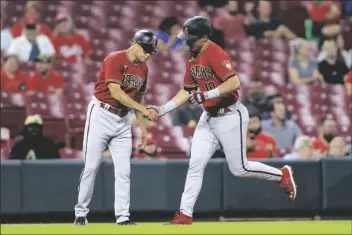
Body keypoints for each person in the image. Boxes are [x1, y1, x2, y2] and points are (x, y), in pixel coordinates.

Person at [149, 16, 297, 225]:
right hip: (208, 117)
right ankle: (184, 214)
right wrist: (163, 109)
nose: (186, 42)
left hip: (230, 115)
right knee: (195, 165)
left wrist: (207, 95)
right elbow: (187, 90)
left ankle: (281, 174)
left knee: (239, 169)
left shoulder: (215, 53)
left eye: (191, 38)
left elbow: (234, 82)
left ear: (205, 38)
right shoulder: (192, 58)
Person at [73, 30, 158, 226]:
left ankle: (123, 217)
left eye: (151, 51)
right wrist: (143, 110)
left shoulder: (144, 69)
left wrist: (143, 129)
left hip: (122, 120)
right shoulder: (114, 59)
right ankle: (80, 214)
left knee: (124, 171)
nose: (148, 54)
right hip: (101, 114)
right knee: (91, 167)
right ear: (135, 43)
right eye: (145, 49)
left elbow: (138, 97)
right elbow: (116, 92)